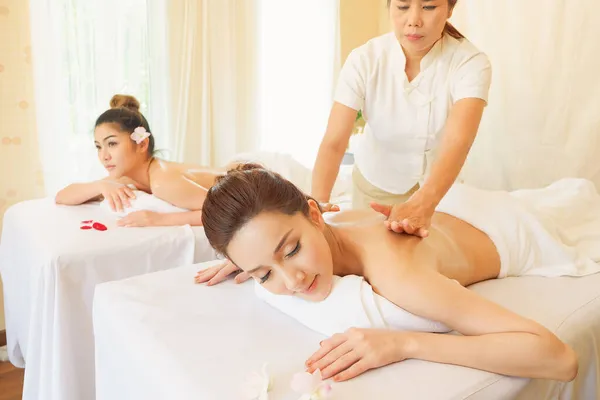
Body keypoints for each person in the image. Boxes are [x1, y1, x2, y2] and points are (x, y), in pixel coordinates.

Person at [197, 164, 600, 383]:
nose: (292, 282)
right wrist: (257, 257)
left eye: (292, 250)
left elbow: (558, 359)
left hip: (514, 224)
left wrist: (404, 344)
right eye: (264, 275)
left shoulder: (398, 273)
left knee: (580, 199)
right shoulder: (316, 228)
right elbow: (263, 220)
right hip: (455, 210)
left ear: (315, 213)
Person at [312, 0, 492, 238]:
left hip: (439, 194)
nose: (414, 20)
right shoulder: (365, 59)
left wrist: (424, 204)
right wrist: (316, 209)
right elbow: (334, 141)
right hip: (375, 190)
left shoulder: (470, 62)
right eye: (403, 6)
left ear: (449, 9)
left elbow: (458, 142)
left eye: (429, 7)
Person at [55, 94, 230, 227]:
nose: (104, 156)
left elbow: (226, 212)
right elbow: (62, 197)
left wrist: (160, 219)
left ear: (141, 144)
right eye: (98, 146)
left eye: (112, 143)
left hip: (243, 179)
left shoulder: (163, 182)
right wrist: (99, 185)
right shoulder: (124, 178)